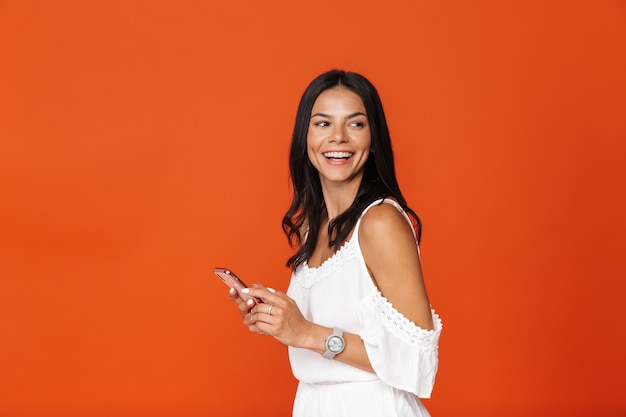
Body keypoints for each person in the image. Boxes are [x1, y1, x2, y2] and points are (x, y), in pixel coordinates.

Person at [228, 69, 442, 417]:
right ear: (305, 136)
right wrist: (276, 318)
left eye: (355, 124)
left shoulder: (380, 222)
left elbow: (418, 359)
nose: (338, 138)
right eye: (323, 124)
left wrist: (306, 333)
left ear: (373, 138)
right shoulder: (315, 226)